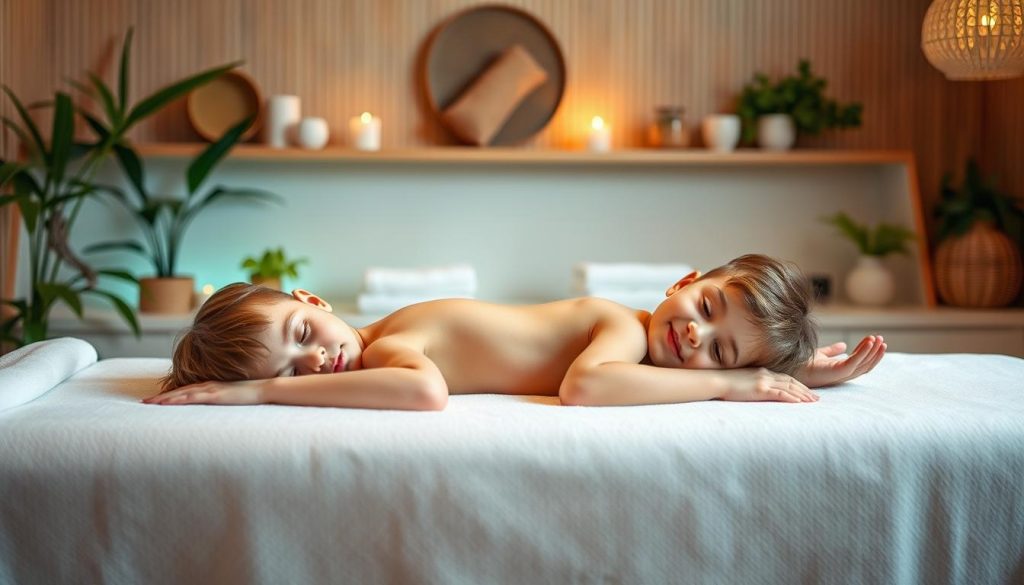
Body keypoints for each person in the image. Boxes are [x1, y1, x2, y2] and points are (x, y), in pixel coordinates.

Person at [146, 254, 885, 409]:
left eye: (719, 342)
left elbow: (599, 380)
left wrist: (791, 368)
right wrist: (260, 395)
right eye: (296, 365)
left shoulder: (621, 326)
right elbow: (425, 392)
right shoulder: (389, 346)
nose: (321, 357)